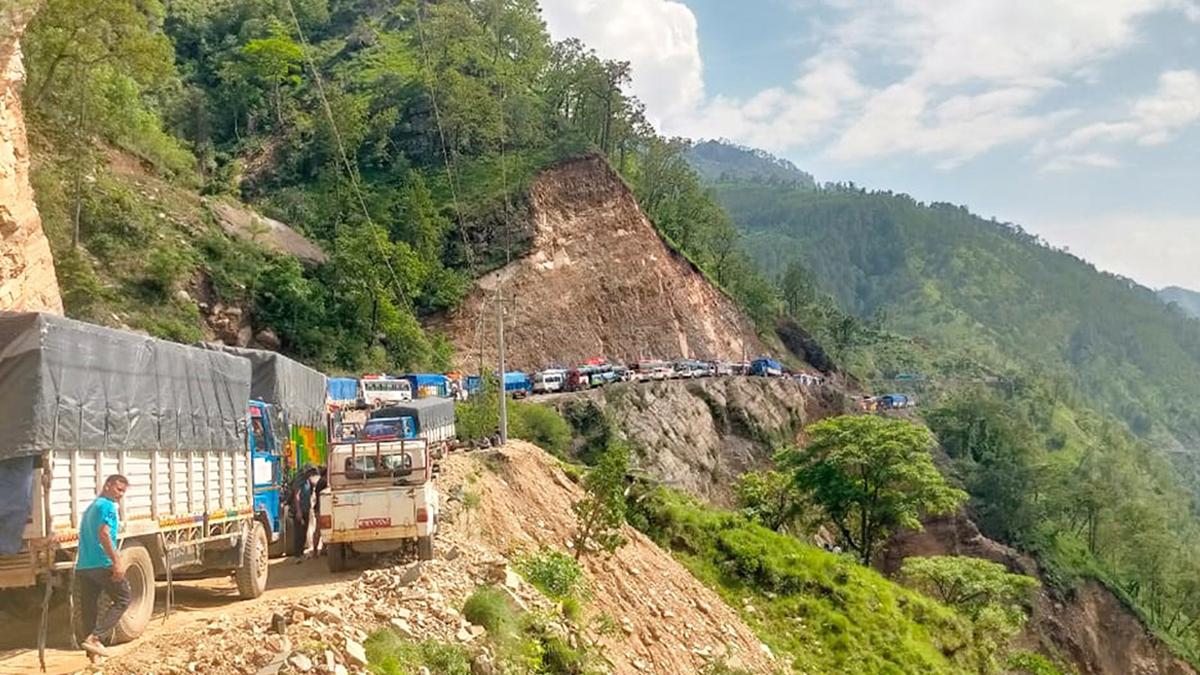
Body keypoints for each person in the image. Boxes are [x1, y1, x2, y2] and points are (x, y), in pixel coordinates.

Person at [76, 475, 131, 659]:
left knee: (89, 607)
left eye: (123, 491)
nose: (120, 495)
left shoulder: (92, 507)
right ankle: (96, 637)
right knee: (123, 598)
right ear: (107, 486)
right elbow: (105, 534)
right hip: (102, 563)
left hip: (84, 565)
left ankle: (92, 654)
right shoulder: (107, 506)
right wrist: (116, 561)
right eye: (118, 489)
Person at [291, 464, 318, 560]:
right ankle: (297, 555)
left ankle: (301, 553)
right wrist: (298, 511)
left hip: (306, 509)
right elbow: (296, 496)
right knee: (299, 532)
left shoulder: (307, 480)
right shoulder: (299, 481)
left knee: (304, 531)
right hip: (299, 510)